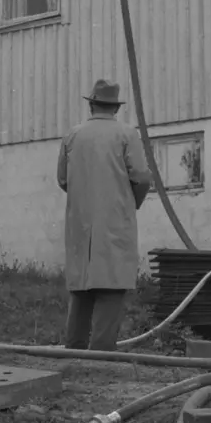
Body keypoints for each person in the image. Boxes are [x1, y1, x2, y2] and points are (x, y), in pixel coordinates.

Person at [56, 79, 153, 352]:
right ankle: (100, 358)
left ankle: (74, 350)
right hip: (115, 221)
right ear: (116, 108)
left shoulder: (72, 135)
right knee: (111, 288)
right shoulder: (126, 134)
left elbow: (62, 179)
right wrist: (130, 203)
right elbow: (143, 178)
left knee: (82, 289)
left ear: (91, 103)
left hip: (80, 224)